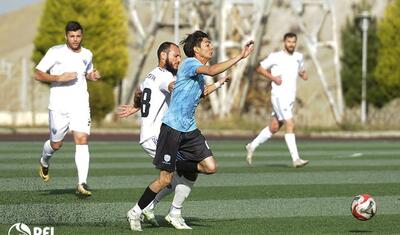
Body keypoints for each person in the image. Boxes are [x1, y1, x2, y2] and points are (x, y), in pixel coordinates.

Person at [126, 30, 254, 231]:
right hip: (171, 130)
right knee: (166, 179)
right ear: (196, 49)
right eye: (207, 44)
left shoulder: (197, 72)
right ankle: (137, 211)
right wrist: (239, 56)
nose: (211, 47)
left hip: (190, 130)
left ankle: (173, 213)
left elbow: (201, 92)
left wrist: (220, 84)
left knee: (209, 167)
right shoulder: (190, 64)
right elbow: (209, 72)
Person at [35, 21, 101, 197]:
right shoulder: (55, 52)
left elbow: (87, 71)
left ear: (82, 36)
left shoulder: (87, 54)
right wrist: (59, 77)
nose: (75, 39)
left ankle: (82, 183)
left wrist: (92, 75)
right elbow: (38, 73)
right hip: (59, 105)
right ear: (66, 36)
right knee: (56, 144)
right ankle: (44, 161)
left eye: (78, 36)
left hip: (80, 105)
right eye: (72, 36)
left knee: (82, 139)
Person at [245, 32, 309, 168]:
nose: (291, 44)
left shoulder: (299, 57)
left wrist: (303, 74)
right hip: (279, 96)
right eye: (289, 42)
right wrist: (273, 78)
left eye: (293, 42)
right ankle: (296, 159)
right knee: (290, 124)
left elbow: (301, 70)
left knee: (274, 127)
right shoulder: (276, 57)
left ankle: (252, 145)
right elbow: (259, 68)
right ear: (284, 42)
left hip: (290, 97)